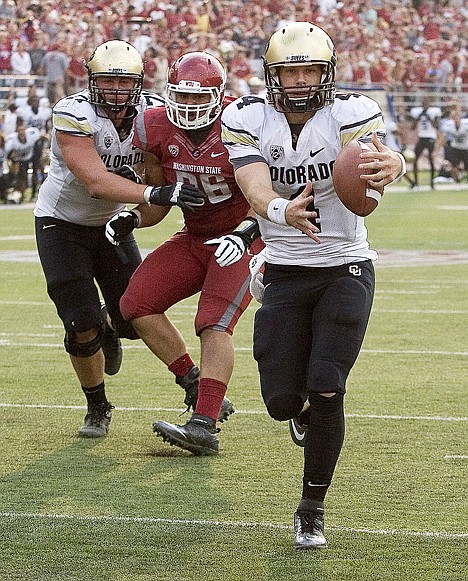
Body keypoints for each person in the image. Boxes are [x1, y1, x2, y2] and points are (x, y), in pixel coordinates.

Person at [220, 22, 405, 549]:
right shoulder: (247, 117)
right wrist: (280, 209)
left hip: (345, 263)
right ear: (271, 76)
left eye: (309, 70)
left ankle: (311, 506)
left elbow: (375, 159)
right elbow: (254, 185)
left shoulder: (350, 112)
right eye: (289, 71)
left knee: (328, 384)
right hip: (283, 263)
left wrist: (393, 162)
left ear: (327, 74)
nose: (300, 81)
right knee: (281, 400)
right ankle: (298, 413)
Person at [34, 40, 205, 439]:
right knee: (81, 323)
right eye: (107, 79)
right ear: (91, 81)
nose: (114, 89)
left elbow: (162, 163)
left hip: (114, 223)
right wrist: (154, 194)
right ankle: (98, 405)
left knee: (134, 313)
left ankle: (191, 379)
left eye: (123, 80)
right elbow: (94, 181)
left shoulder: (153, 113)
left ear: (138, 82)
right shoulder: (73, 113)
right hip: (63, 223)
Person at [106, 52, 264, 455]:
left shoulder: (242, 122)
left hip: (244, 237)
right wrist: (132, 217)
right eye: (182, 97)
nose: (190, 107)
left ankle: (204, 425)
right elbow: (157, 203)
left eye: (199, 99)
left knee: (213, 321)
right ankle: (195, 382)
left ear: (219, 96)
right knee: (136, 303)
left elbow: (265, 195)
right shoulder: (154, 126)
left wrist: (245, 234)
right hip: (195, 236)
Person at [410, 96, 441, 190]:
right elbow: (413, 127)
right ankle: (416, 183)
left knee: (431, 160)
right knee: (415, 160)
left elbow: (436, 126)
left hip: (431, 138)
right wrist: (419, 117)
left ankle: (432, 184)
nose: (425, 105)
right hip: (422, 137)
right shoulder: (418, 112)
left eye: (426, 104)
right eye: (423, 104)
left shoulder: (433, 112)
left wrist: (428, 117)